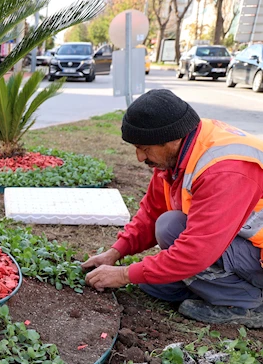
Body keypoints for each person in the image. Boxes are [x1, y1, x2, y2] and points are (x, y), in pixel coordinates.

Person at [83, 89, 263, 327]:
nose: (139, 157)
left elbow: (195, 252)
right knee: (151, 280)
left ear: (171, 139)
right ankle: (214, 288)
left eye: (144, 148)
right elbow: (150, 213)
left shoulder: (224, 170)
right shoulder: (181, 152)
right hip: (237, 247)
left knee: (171, 227)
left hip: (256, 258)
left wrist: (123, 274)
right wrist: (115, 253)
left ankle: (249, 304)